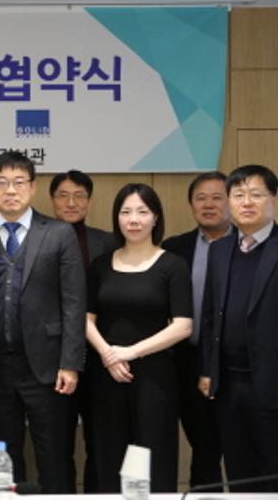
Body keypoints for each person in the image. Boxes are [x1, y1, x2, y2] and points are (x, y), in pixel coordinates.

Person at [0, 151, 85, 493]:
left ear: (32, 187)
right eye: (2, 183)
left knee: (53, 453)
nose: (11, 190)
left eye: (19, 182)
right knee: (2, 456)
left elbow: (74, 302)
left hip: (47, 365)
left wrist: (70, 363)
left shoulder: (59, 233)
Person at [85, 183, 192, 492]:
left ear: (155, 217)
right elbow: (85, 319)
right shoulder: (101, 264)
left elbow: (183, 325)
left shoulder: (173, 265)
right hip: (107, 373)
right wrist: (109, 355)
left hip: (155, 377)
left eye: (142, 212)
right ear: (117, 217)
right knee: (108, 454)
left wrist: (130, 352)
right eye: (126, 212)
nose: (133, 219)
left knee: (154, 454)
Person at [199, 165, 278, 492]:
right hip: (228, 384)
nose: (246, 202)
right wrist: (208, 369)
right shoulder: (220, 249)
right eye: (238, 195)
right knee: (240, 471)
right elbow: (211, 316)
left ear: (273, 200)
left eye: (256, 194)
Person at [49, 169, 117, 492]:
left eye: (79, 196)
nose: (71, 202)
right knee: (58, 440)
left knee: (101, 439)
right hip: (56, 357)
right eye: (63, 196)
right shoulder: (40, 239)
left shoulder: (108, 242)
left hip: (101, 354)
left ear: (89, 201)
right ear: (52, 200)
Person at [161, 172, 229, 489]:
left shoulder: (247, 246)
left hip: (236, 364)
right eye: (201, 198)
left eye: (217, 197)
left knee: (242, 446)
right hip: (188, 360)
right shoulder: (174, 249)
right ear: (191, 204)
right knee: (203, 448)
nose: (208, 204)